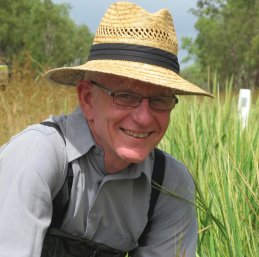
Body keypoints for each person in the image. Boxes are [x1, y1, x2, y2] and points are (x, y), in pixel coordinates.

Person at [0, 2, 212, 257]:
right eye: (125, 95)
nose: (144, 118)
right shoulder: (36, 155)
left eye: (160, 99)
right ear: (87, 99)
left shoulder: (170, 185)